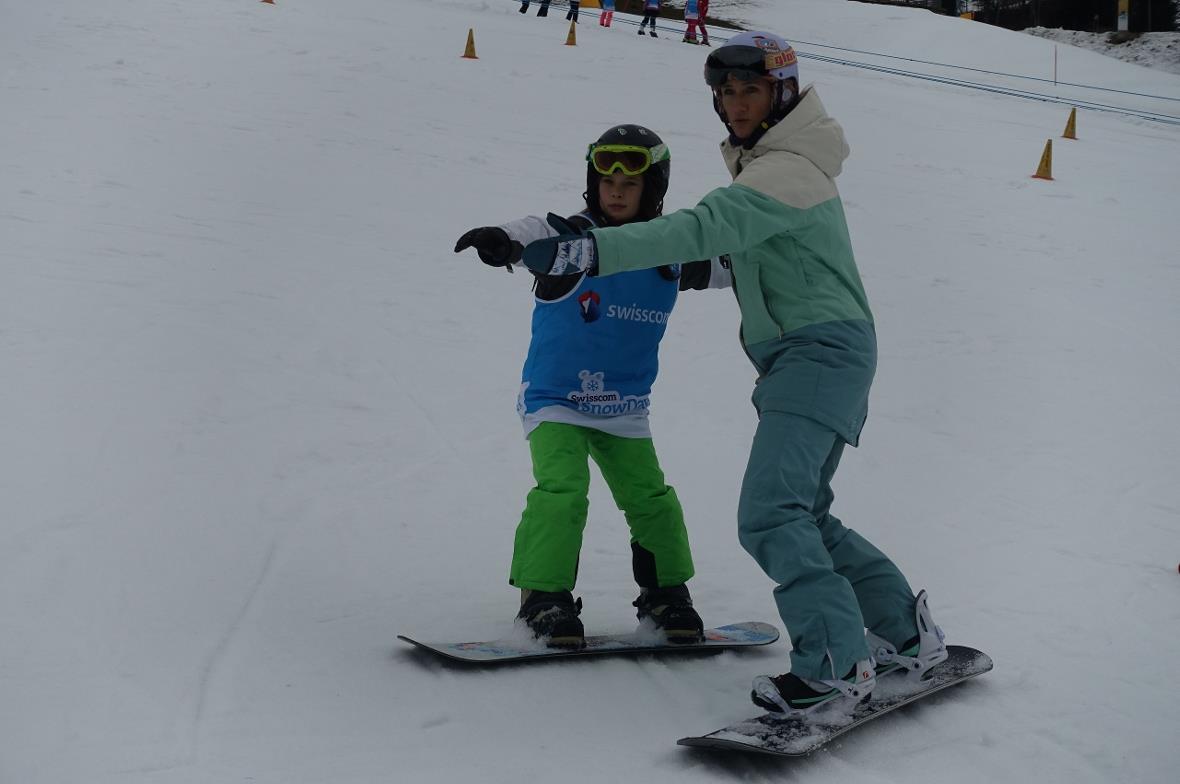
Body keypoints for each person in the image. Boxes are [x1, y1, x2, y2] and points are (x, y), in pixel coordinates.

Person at [519, 32, 948, 711]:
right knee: (805, 511)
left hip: (818, 352)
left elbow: (691, 231)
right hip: (809, 355)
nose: (737, 103)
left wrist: (582, 250)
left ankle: (834, 664)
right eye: (727, 92)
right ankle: (904, 633)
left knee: (771, 514)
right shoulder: (777, 162)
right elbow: (721, 256)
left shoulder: (782, 171)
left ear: (782, 93)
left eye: (751, 90)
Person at [454, 125, 730, 649]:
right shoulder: (570, 237)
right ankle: (543, 599)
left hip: (625, 407)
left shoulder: (670, 248)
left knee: (653, 500)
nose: (617, 190)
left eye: (631, 181)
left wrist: (782, 257)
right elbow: (532, 232)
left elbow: (734, 265)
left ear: (654, 187)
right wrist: (501, 239)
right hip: (555, 401)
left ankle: (665, 595)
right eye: (607, 180)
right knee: (562, 493)